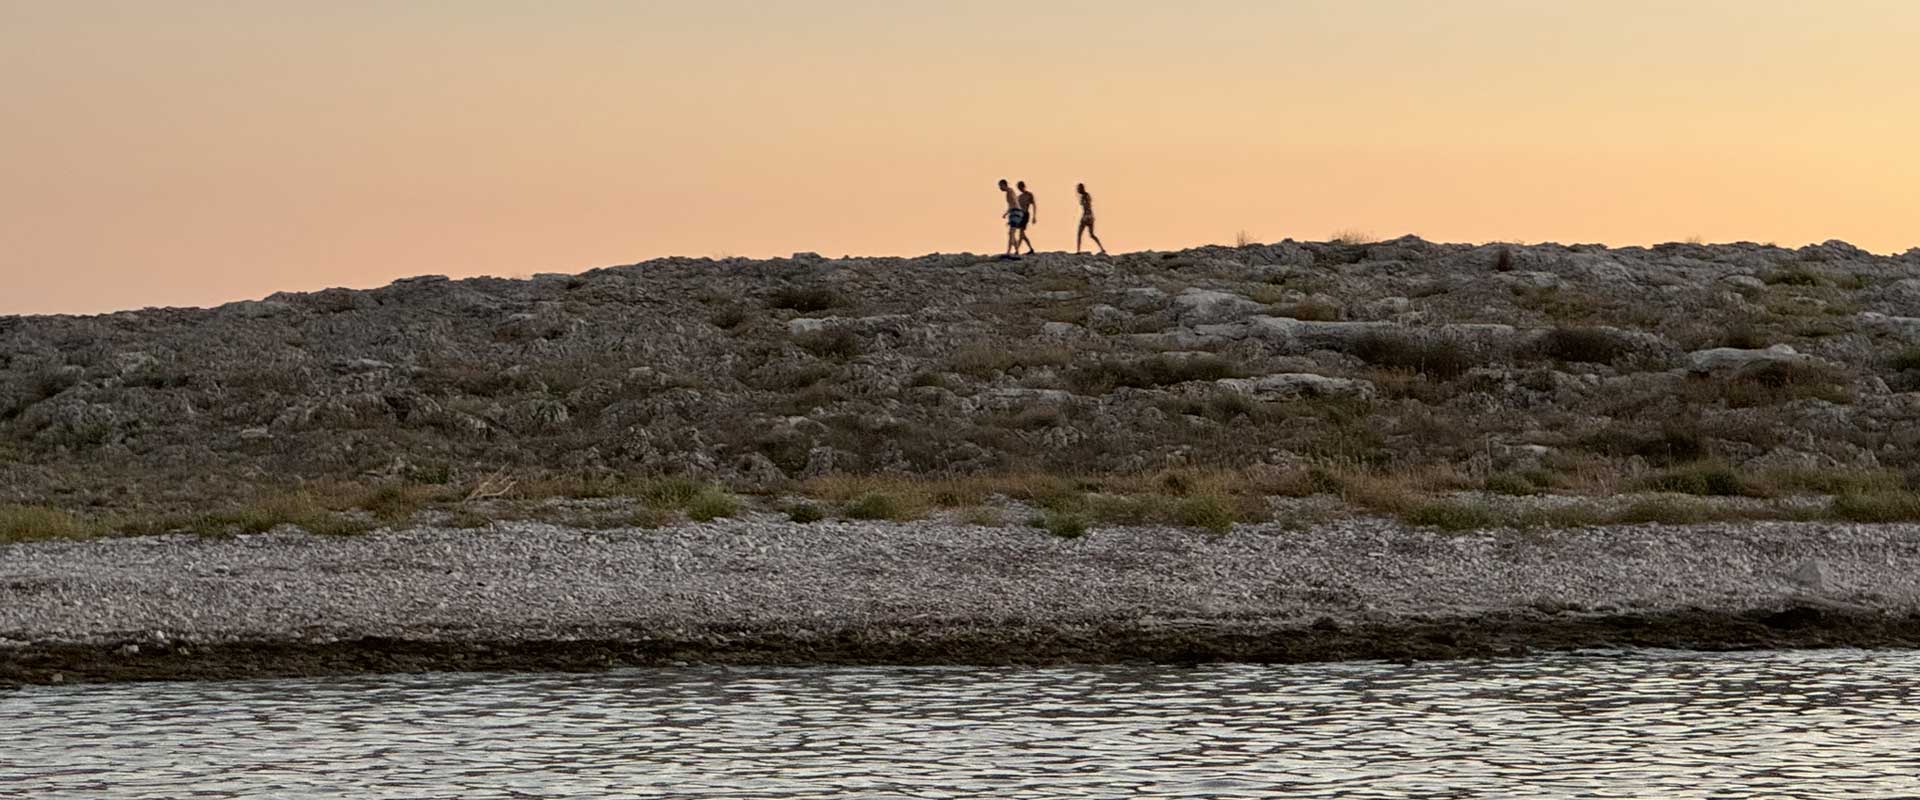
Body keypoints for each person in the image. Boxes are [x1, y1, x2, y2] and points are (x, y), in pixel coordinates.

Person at [1076, 183, 1107, 255]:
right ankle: (1102, 248)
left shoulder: (1084, 196)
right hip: (1091, 216)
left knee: (1079, 233)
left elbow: (1085, 206)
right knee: (1092, 234)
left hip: (1086, 216)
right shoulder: (1087, 195)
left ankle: (1078, 251)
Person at [998, 179, 1025, 258]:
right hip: (1015, 212)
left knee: (1011, 233)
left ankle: (1009, 252)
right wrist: (1006, 214)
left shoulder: (1009, 191)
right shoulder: (1010, 191)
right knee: (1011, 233)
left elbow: (1013, 203)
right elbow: (1012, 203)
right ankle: (1016, 251)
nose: (1000, 188)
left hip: (1015, 212)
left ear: (1004, 185)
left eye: (1000, 186)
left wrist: (1010, 213)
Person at [1015, 181, 1037, 255]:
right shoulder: (1019, 197)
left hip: (1025, 215)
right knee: (1022, 234)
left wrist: (1034, 216)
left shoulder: (1029, 195)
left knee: (1021, 233)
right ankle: (1031, 249)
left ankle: (1017, 250)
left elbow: (1034, 205)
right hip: (1020, 215)